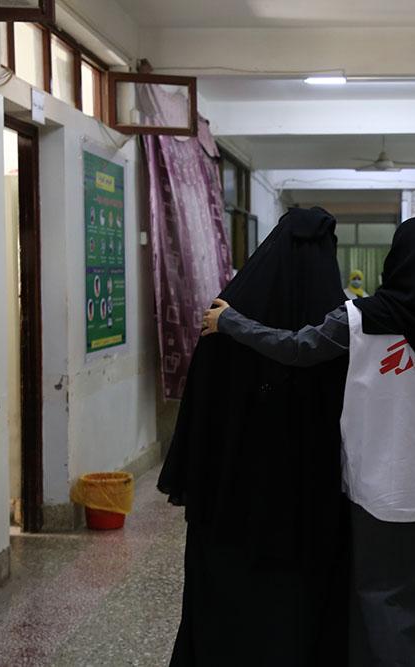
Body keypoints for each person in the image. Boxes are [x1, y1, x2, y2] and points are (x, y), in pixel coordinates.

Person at [202, 217, 415, 666]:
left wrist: (230, 322)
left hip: (380, 493)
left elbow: (296, 348)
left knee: (377, 606)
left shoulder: (359, 318)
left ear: (396, 257)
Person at [158, 207, 350, 666]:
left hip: (234, 503)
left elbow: (201, 415)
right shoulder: (342, 323)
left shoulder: (226, 313)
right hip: (309, 502)